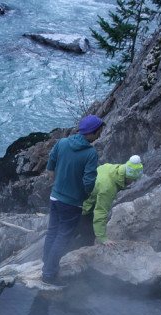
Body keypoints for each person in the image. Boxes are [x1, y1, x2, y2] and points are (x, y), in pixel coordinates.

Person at [41, 114, 104, 284]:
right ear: (92, 132)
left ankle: (47, 263)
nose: (100, 134)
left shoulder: (62, 143)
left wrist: (59, 186)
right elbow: (89, 181)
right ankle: (48, 274)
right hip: (72, 203)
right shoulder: (90, 153)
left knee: (52, 232)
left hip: (55, 197)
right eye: (99, 131)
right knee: (62, 237)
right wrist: (85, 195)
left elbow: (50, 168)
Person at [75, 155, 143, 247]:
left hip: (75, 195)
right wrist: (103, 238)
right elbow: (100, 212)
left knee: (69, 232)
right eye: (134, 179)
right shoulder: (108, 188)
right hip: (79, 207)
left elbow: (99, 182)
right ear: (127, 176)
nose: (134, 181)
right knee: (88, 236)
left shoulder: (114, 168)